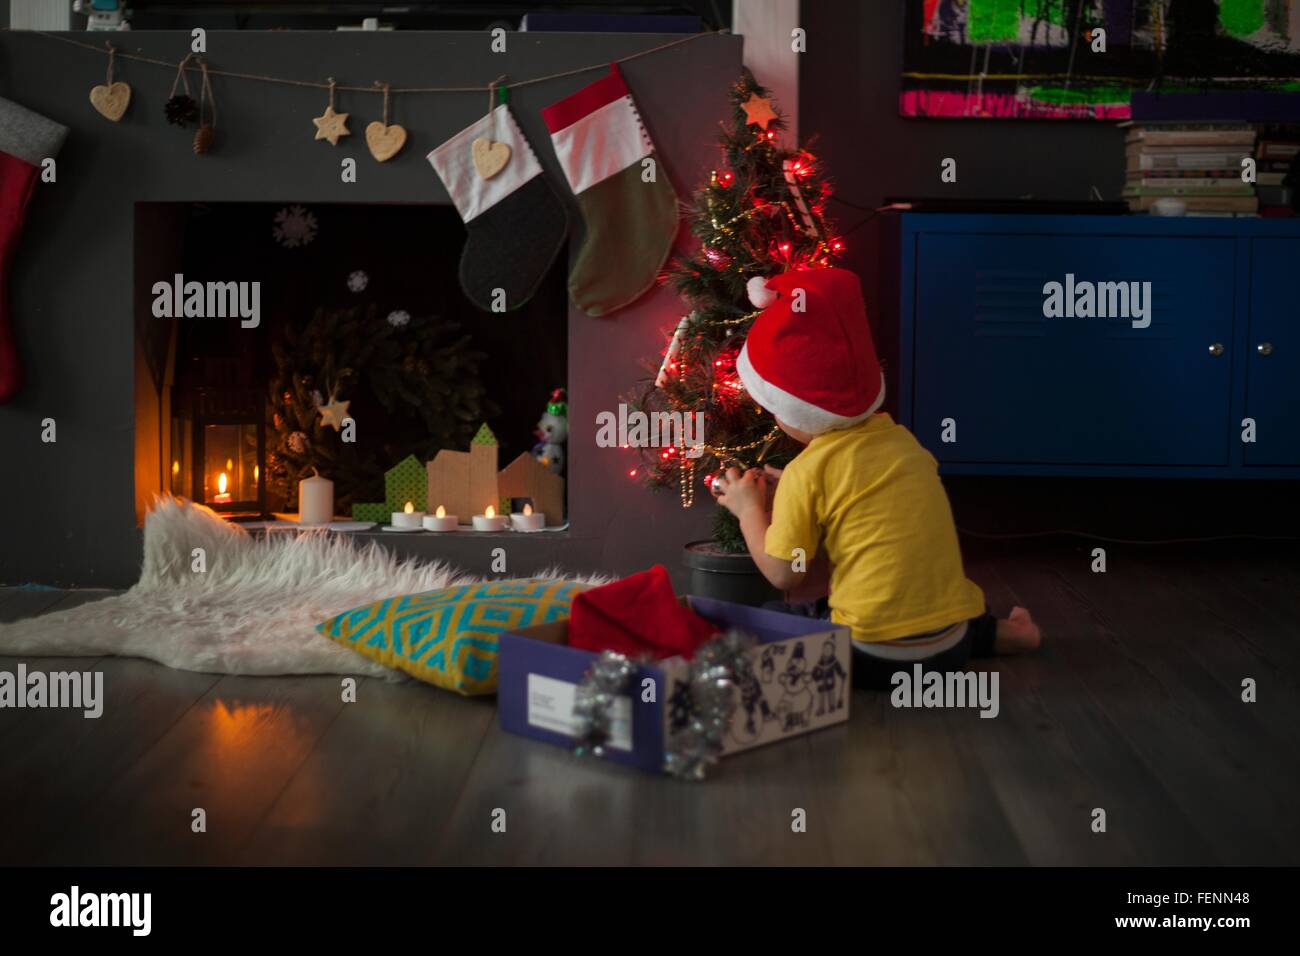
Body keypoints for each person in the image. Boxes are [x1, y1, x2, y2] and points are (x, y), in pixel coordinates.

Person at [712, 268, 1040, 690]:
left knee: (780, 616)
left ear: (793, 408)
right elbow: (862, 500)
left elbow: (784, 573)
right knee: (926, 600)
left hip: (872, 655)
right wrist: (801, 493)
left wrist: (748, 508)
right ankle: (1004, 634)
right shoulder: (903, 442)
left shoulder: (806, 472)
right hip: (950, 644)